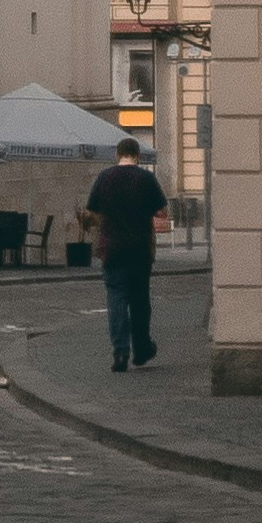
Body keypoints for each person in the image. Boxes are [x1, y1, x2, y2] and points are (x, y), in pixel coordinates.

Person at [83, 143, 167, 371]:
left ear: (117, 155)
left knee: (116, 298)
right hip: (140, 248)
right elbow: (162, 212)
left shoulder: (104, 177)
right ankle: (141, 351)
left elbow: (92, 211)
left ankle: (120, 353)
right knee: (140, 300)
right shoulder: (145, 178)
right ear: (137, 156)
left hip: (112, 249)